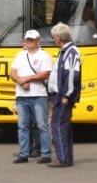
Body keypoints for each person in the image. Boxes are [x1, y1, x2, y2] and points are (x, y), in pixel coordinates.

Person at [11, 30, 54, 164]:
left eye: (32, 40)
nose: (29, 42)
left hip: (38, 95)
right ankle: (24, 154)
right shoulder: (20, 55)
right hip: (22, 96)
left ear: (38, 41)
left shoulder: (44, 56)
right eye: (27, 39)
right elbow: (12, 73)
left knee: (41, 125)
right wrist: (20, 82)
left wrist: (27, 78)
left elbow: (45, 74)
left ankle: (46, 153)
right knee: (23, 126)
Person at [48, 22, 82, 168]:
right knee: (63, 126)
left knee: (58, 125)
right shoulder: (66, 51)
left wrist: (66, 95)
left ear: (58, 37)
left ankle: (62, 158)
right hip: (61, 95)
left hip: (63, 96)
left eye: (54, 37)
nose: (53, 40)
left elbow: (72, 75)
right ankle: (66, 157)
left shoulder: (71, 52)